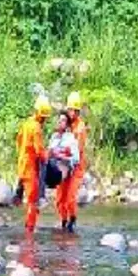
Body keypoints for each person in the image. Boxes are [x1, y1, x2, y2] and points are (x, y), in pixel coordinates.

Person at [14, 96, 52, 232]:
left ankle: (17, 195)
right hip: (30, 169)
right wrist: (49, 156)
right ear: (39, 115)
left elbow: (18, 140)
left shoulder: (26, 124)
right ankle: (29, 230)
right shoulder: (36, 128)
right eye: (43, 118)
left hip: (22, 164)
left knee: (27, 196)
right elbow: (39, 150)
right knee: (33, 201)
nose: (44, 120)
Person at [56, 92, 89, 233]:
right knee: (59, 198)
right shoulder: (65, 124)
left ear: (77, 111)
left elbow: (78, 150)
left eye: (73, 110)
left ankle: (72, 220)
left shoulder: (80, 128)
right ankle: (63, 221)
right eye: (69, 109)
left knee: (70, 197)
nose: (71, 113)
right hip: (63, 166)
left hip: (75, 167)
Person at [46, 112, 81, 186]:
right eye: (59, 120)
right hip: (51, 166)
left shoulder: (70, 138)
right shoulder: (54, 137)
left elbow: (76, 159)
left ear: (67, 125)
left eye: (63, 120)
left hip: (62, 168)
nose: (60, 122)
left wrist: (61, 156)